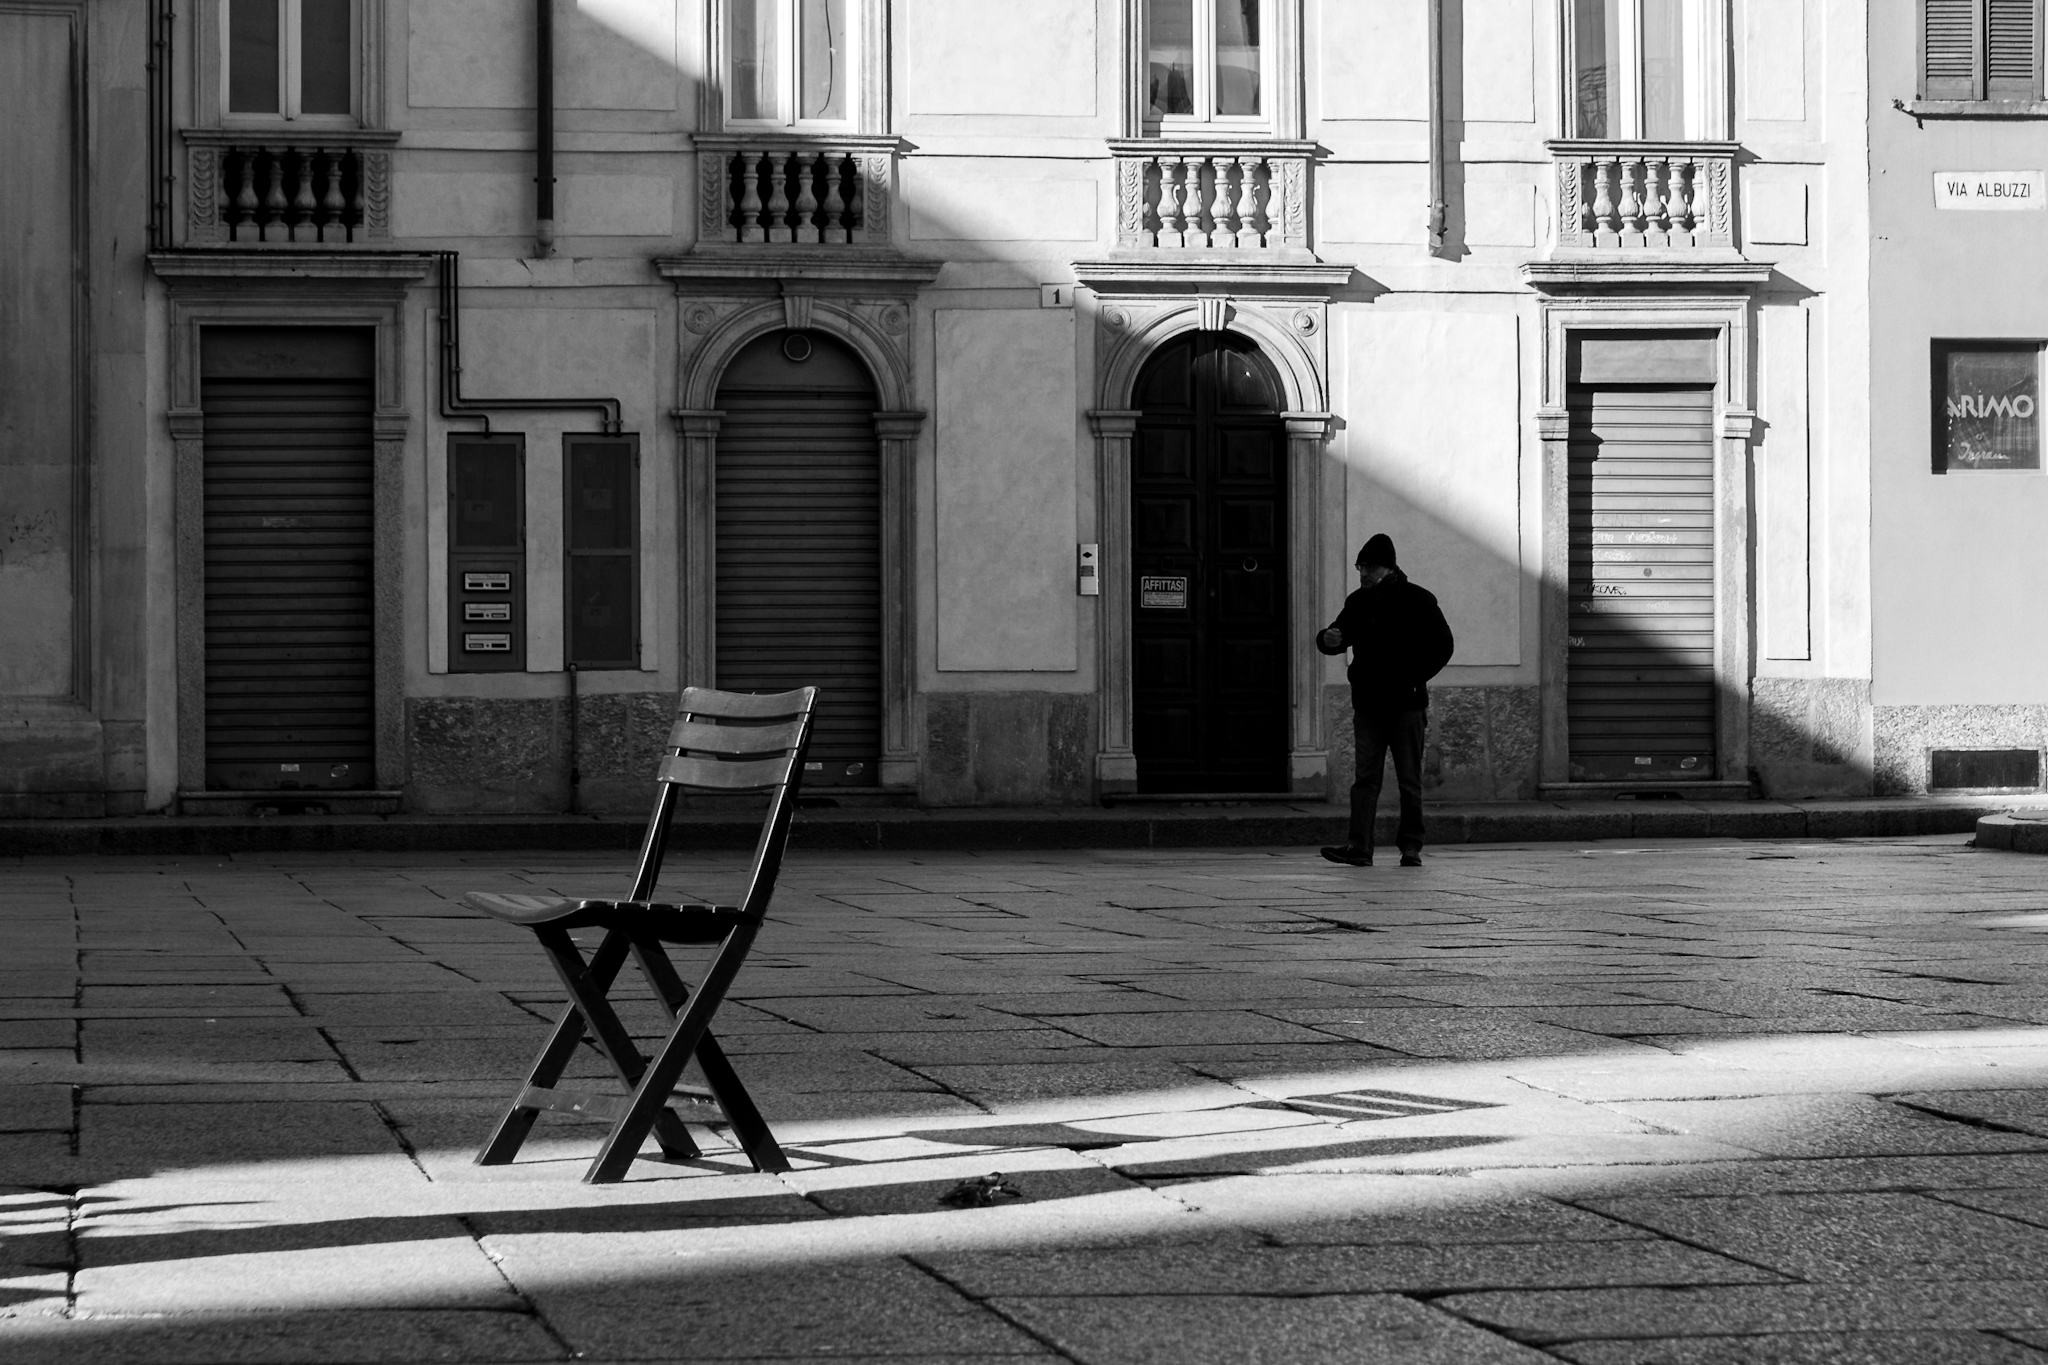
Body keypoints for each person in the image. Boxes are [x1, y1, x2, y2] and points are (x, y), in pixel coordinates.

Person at [1316, 534, 1454, 868]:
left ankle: (1411, 848)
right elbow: (1337, 635)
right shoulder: (1358, 602)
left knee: (1409, 780)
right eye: (1360, 566)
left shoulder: (1418, 600)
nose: (1363, 573)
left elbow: (1443, 645)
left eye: (1370, 567)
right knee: (1365, 779)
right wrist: (1327, 639)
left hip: (1406, 706)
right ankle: (1359, 848)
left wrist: (1412, 677)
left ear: (1389, 567)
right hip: (1368, 705)